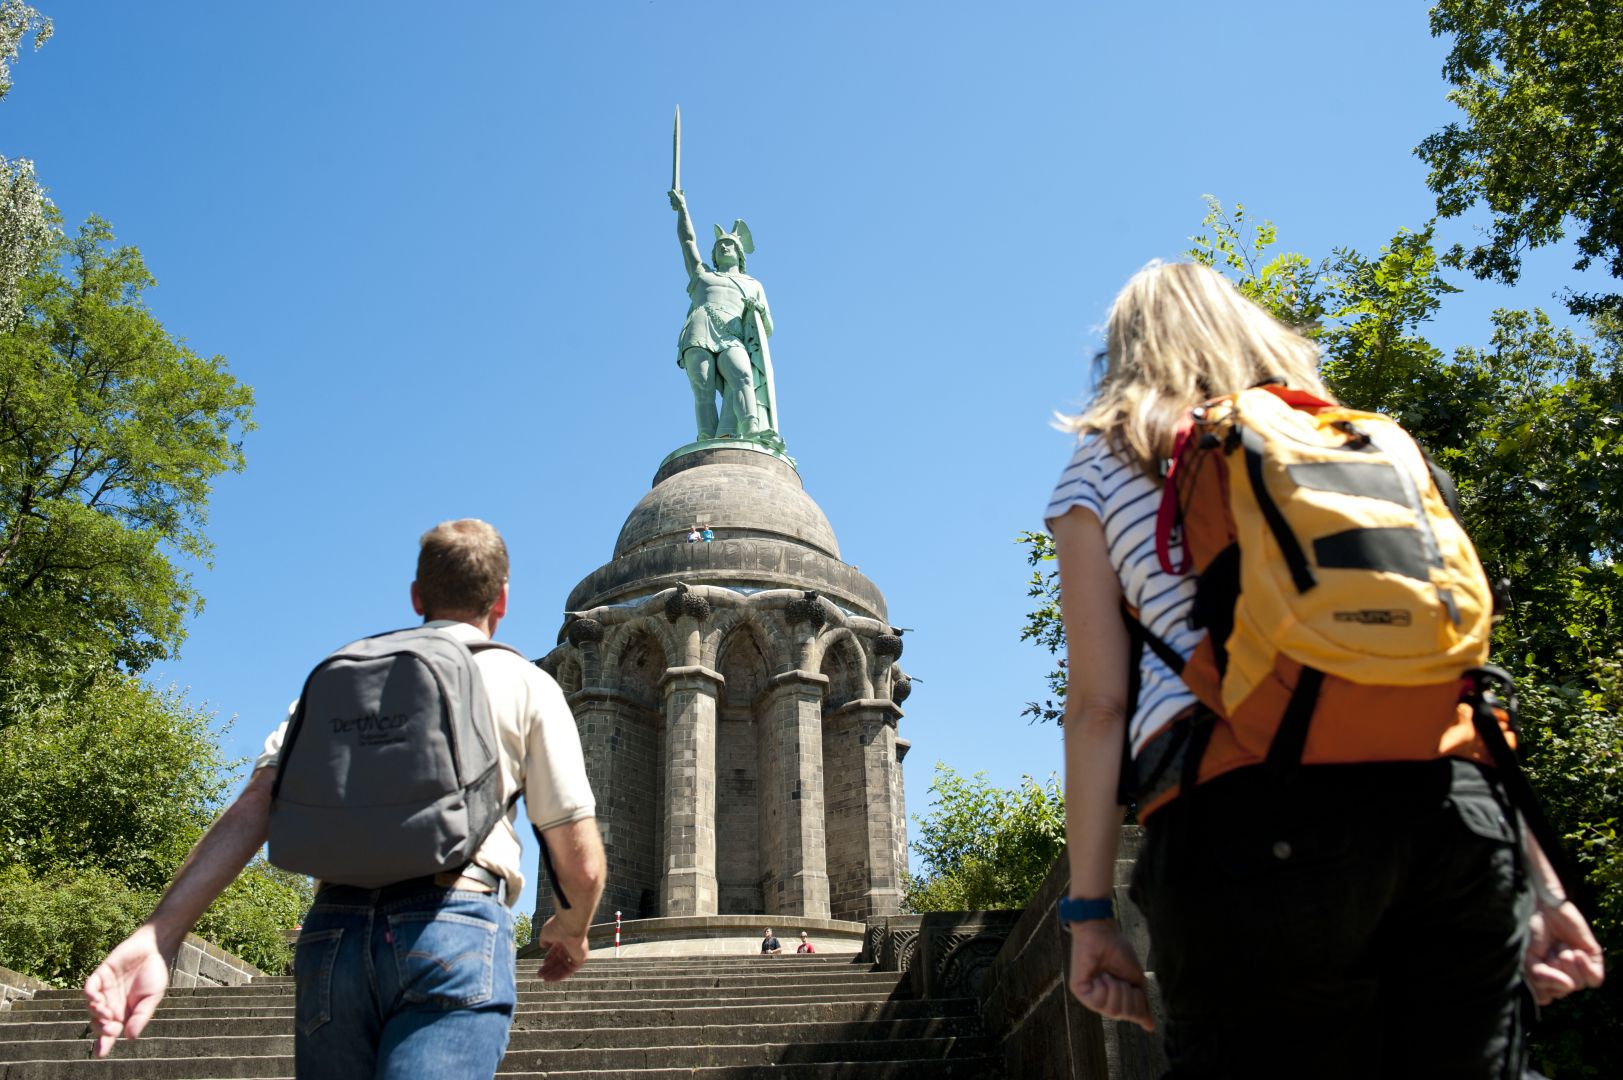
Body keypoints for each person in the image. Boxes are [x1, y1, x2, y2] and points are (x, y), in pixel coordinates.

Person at [1046, 262, 1604, 1077]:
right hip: (1453, 812)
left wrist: (1089, 912)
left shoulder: (1101, 465)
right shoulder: (1359, 438)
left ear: (1123, 355)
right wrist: (1544, 887)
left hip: (1243, 809)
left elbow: (1098, 706)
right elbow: (1451, 673)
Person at [83, 519, 608, 1080]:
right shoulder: (521, 680)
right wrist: (570, 929)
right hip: (453, 921)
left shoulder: (339, 676)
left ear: (417, 597)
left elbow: (252, 808)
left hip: (332, 931)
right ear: (501, 599)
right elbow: (577, 854)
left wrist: (159, 932)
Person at [669, 188, 776, 441]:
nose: (724, 247)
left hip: (732, 334)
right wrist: (682, 209)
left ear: (739, 254)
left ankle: (751, 427)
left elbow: (768, 327)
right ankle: (706, 437)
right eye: (719, 245)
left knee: (742, 374)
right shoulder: (702, 276)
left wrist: (758, 310)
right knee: (702, 386)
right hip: (700, 328)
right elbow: (687, 242)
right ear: (714, 255)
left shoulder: (753, 284)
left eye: (729, 244)